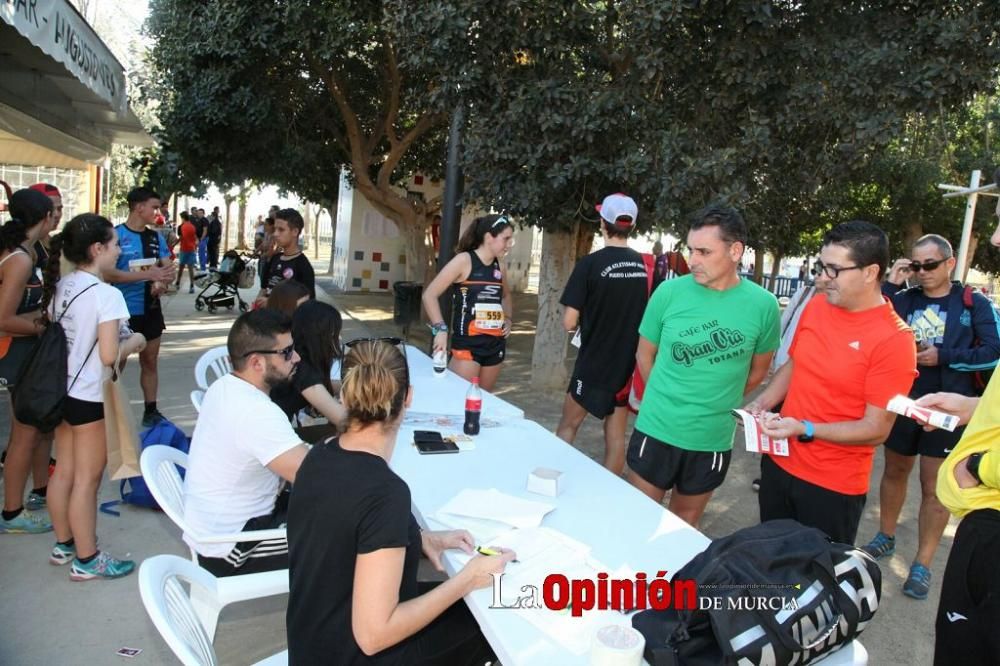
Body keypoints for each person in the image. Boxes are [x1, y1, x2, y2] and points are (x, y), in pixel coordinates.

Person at [286, 339, 513, 664]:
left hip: (313, 644)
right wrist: (467, 579)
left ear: (345, 395)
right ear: (408, 397)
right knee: (489, 621)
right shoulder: (385, 492)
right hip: (355, 652)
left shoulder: (319, 454)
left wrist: (416, 540)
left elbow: (343, 535)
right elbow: (374, 635)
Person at [755, 221, 917, 544]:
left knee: (815, 583)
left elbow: (876, 429)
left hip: (832, 487)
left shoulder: (894, 340)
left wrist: (805, 429)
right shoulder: (817, 306)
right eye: (821, 266)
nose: (822, 278)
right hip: (777, 465)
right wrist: (762, 403)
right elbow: (796, 364)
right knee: (769, 563)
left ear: (871, 272)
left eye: (834, 270)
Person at [861, 234, 1000, 600]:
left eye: (930, 265)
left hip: (949, 409)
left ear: (950, 264)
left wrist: (944, 356)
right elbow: (872, 323)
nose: (922, 272)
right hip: (904, 403)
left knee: (933, 486)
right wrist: (891, 280)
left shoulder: (974, 303)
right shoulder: (903, 299)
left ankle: (922, 562)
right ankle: (885, 535)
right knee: (894, 470)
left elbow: (992, 352)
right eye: (916, 265)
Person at [625, 204, 780, 526]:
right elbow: (644, 354)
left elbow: (759, 371)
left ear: (735, 251)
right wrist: (665, 396)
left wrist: (717, 399)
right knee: (637, 520)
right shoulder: (668, 292)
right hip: (656, 428)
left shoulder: (763, 305)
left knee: (683, 526)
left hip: (711, 438)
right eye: (691, 250)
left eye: (704, 252)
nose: (693, 260)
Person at [42, 214, 146, 579]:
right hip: (89, 395)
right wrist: (136, 340)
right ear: (97, 249)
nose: (119, 250)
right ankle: (87, 559)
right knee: (87, 479)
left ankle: (64, 544)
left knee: (64, 472)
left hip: (60, 391)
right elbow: (108, 355)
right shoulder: (107, 294)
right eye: (114, 244)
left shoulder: (63, 285)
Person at [182, 309, 308, 576]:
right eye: (286, 352)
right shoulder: (255, 411)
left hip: (218, 528)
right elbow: (315, 476)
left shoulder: (225, 386)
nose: (296, 357)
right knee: (356, 530)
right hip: (232, 550)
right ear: (257, 362)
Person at [557, 193, 649, 474]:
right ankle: (610, 494)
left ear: (603, 222)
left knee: (567, 427)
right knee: (616, 437)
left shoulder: (589, 264)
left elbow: (568, 321)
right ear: (630, 226)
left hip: (593, 364)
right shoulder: (642, 266)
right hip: (625, 366)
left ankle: (552, 479)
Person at [0, 189, 55, 534]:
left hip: (22, 352)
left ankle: (21, 503)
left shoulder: (26, 252)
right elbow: (3, 318)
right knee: (23, 436)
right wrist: (43, 325)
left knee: (32, 433)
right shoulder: (19, 259)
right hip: (14, 354)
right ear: (45, 217)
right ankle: (12, 513)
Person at [421, 214, 515, 392]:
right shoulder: (464, 261)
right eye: (506, 238)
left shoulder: (500, 266)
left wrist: (508, 318)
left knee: (482, 402)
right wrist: (440, 329)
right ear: (489, 238)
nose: (510, 244)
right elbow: (430, 295)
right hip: (468, 346)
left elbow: (506, 297)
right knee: (457, 402)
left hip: (495, 346)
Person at [108, 187, 176, 428]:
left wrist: (161, 282)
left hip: (151, 310)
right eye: (154, 207)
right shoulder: (114, 236)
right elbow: (107, 272)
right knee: (116, 363)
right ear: (139, 207)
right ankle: (108, 407)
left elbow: (167, 270)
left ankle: (151, 410)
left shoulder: (155, 237)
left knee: (150, 362)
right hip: (122, 313)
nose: (158, 213)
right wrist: (143, 276)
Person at [269, 300, 347, 427]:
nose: (339, 338)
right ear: (321, 336)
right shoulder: (303, 368)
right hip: (273, 433)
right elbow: (342, 419)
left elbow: (329, 386)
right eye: (335, 333)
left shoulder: (297, 356)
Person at [254, 208, 315, 307]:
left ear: (295, 232)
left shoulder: (303, 266)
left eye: (281, 230)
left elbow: (307, 302)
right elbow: (264, 289)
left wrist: (272, 303)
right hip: (266, 320)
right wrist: (254, 308)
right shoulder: (274, 259)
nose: (275, 234)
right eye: (275, 229)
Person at [174, 211, 199, 294]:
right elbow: (195, 237)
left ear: (183, 218)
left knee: (181, 267)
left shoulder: (182, 227)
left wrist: (173, 244)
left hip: (184, 248)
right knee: (191, 268)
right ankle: (192, 285)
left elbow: (181, 237)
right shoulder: (192, 226)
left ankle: (177, 282)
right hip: (191, 249)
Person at [196, 207, 210, 271]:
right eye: (198, 213)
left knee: (201, 253)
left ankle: (203, 268)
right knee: (200, 253)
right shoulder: (199, 220)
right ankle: (202, 267)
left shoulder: (204, 220)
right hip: (200, 238)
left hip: (204, 238)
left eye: (200, 213)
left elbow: (205, 230)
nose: (199, 214)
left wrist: (201, 239)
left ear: (203, 213)